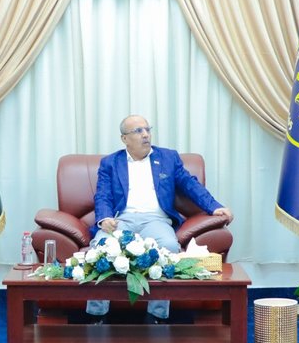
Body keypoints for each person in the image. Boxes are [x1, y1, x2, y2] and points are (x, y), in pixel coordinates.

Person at [87, 114, 231, 320]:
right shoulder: (110, 162)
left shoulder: (168, 158)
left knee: (169, 246)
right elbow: (102, 194)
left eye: (148, 129)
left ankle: (157, 315)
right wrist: (104, 218)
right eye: (138, 131)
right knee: (101, 248)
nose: (146, 134)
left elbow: (190, 184)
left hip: (156, 220)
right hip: (121, 220)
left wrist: (214, 207)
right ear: (124, 139)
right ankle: (96, 315)